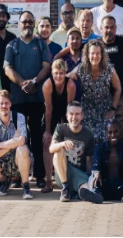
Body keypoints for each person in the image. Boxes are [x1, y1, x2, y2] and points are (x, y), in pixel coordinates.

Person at [4, 11, 52, 186]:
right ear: (19, 25)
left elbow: (47, 66)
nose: (27, 25)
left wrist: (34, 82)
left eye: (30, 22)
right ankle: (17, 176)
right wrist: (23, 83)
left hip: (36, 99)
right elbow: (7, 69)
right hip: (18, 99)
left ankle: (39, 176)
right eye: (24, 22)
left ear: (33, 24)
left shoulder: (40, 45)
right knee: (18, 138)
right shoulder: (12, 45)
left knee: (37, 138)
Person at [81, 120, 123, 204]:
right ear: (106, 134)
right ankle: (95, 194)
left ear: (120, 132)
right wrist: (96, 172)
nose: (113, 135)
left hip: (122, 186)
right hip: (104, 186)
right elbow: (96, 163)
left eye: (115, 131)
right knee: (92, 177)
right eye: (110, 132)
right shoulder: (99, 148)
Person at [0, 90, 33, 199]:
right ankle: (5, 181)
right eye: (1, 103)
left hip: (19, 160)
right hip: (3, 163)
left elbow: (22, 140)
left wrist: (0, 145)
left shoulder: (19, 117)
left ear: (10, 104)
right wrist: (11, 143)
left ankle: (26, 187)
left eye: (6, 103)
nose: (4, 106)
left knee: (22, 148)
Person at [72, 40, 122, 142]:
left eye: (97, 53)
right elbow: (69, 76)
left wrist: (113, 109)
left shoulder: (109, 69)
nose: (95, 56)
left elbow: (118, 88)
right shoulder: (81, 68)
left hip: (105, 109)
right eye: (92, 53)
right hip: (87, 109)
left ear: (102, 54)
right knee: (86, 136)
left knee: (105, 136)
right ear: (87, 54)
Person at [50, 101, 96, 202]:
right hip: (62, 174)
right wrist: (62, 144)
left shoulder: (88, 134)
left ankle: (79, 193)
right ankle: (66, 188)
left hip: (79, 174)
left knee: (85, 187)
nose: (74, 117)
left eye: (77, 114)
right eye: (71, 114)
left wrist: (90, 175)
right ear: (67, 115)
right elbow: (51, 148)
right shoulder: (60, 128)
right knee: (58, 151)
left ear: (82, 116)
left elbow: (89, 160)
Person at [42, 59, 76, 193]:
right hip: (52, 112)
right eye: (56, 73)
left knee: (67, 143)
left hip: (66, 112)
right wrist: (48, 131)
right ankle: (48, 181)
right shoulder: (47, 85)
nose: (58, 76)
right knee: (47, 142)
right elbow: (48, 109)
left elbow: (70, 109)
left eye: (61, 73)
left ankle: (65, 180)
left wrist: (68, 131)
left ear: (66, 73)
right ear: (51, 73)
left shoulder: (70, 85)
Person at [98, 15, 123, 137]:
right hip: (102, 96)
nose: (109, 30)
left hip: (121, 95)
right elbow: (77, 49)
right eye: (106, 27)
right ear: (101, 28)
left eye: (112, 27)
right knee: (102, 133)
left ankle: (122, 155)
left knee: (121, 132)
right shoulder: (95, 45)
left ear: (116, 28)